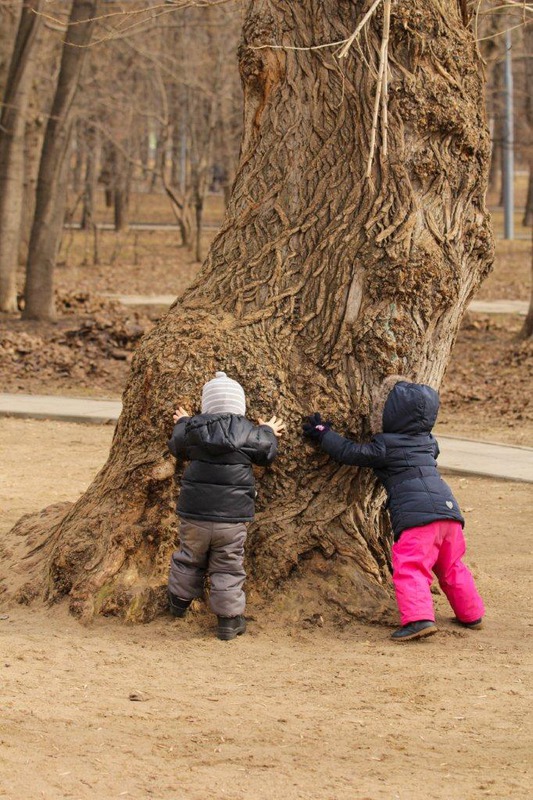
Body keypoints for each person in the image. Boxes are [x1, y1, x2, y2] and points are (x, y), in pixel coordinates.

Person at [303, 376, 485, 642]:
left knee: (411, 566)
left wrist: (324, 434)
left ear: (387, 415)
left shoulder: (386, 446)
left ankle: (419, 619)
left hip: (417, 518)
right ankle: (471, 614)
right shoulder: (429, 443)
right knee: (452, 565)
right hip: (449, 512)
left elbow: (351, 452)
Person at [167, 371, 285, 640]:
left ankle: (178, 602)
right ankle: (228, 622)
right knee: (228, 566)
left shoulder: (193, 429)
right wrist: (267, 429)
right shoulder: (249, 432)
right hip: (232, 519)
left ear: (207, 405)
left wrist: (183, 421)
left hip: (195, 514)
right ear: (240, 406)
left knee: (189, 557)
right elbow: (266, 452)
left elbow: (177, 444)